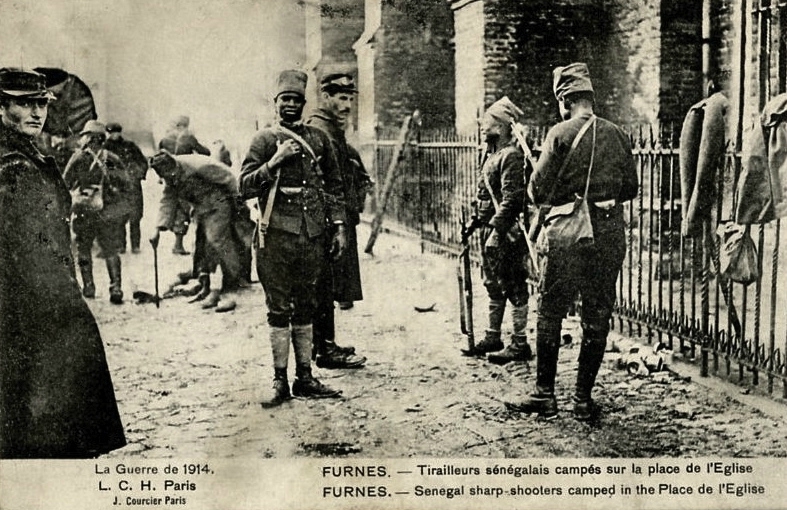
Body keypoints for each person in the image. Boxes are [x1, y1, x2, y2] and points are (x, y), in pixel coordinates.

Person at [0, 67, 126, 457]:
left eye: (41, 103)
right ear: (1, 108)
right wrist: (65, 301)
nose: (36, 113)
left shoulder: (23, 153)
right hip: (29, 293)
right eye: (24, 104)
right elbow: (33, 245)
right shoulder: (14, 165)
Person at [505, 63, 639, 420]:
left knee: (550, 313)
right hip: (609, 234)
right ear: (590, 99)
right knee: (597, 316)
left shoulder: (560, 133)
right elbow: (632, 188)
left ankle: (545, 395)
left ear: (565, 99)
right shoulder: (618, 134)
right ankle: (582, 400)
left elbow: (536, 191)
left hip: (568, 236)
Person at [240, 69, 348, 407]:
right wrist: (274, 162)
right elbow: (242, 187)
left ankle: (305, 377)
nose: (290, 105)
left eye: (296, 100)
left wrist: (339, 225)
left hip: (311, 236)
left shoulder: (319, 139)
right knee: (278, 309)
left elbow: (334, 186)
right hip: (275, 238)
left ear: (303, 103)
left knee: (307, 306)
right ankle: (279, 379)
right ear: (276, 103)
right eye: (285, 99)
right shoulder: (263, 140)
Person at [305, 73, 370, 369]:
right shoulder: (323, 130)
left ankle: (322, 345)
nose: (346, 105)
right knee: (324, 285)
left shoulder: (330, 128)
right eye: (340, 98)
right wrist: (338, 222)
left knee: (326, 284)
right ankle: (326, 350)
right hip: (329, 219)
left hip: (332, 216)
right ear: (326, 98)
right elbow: (328, 182)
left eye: (349, 99)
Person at [471, 96, 534, 365]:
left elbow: (513, 199)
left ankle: (520, 344)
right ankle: (493, 336)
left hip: (506, 232)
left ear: (503, 125)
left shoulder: (511, 156)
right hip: (489, 228)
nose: (483, 126)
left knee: (513, 283)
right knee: (492, 283)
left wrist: (496, 232)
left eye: (489, 121)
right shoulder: (492, 155)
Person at [149, 152, 252, 311]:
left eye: (170, 174)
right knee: (201, 247)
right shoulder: (170, 175)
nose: (170, 178)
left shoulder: (198, 166)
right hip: (200, 209)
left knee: (217, 240)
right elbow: (168, 199)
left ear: (174, 165)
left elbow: (229, 178)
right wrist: (158, 229)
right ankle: (207, 285)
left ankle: (231, 284)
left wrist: (239, 205)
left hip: (219, 204)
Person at [63, 119, 131, 304]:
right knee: (110, 250)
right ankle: (116, 287)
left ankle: (89, 286)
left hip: (84, 211)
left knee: (83, 249)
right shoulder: (111, 158)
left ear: (87, 138)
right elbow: (126, 184)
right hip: (107, 213)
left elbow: (64, 182)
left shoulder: (78, 157)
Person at [158, 115, 210, 255]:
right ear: (186, 124)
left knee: (170, 204)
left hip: (169, 177)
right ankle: (178, 244)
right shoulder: (188, 137)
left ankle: (164, 228)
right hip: (184, 176)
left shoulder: (165, 139)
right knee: (184, 208)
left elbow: (159, 159)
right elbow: (205, 152)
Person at [104, 122, 148, 254]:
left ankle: (135, 245)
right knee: (119, 216)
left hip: (133, 185)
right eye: (111, 133)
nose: (114, 135)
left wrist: (139, 174)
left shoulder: (129, 146)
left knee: (135, 216)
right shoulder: (105, 148)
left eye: (116, 132)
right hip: (117, 186)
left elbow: (142, 162)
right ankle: (121, 245)